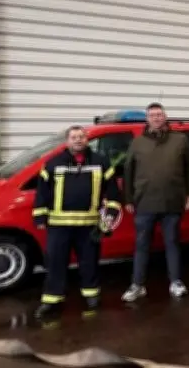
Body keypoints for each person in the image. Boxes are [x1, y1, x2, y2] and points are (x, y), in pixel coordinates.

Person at [33, 125, 121, 319]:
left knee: (89, 263)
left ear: (87, 140)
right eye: (74, 137)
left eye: (82, 137)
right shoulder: (53, 163)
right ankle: (51, 300)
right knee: (56, 263)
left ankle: (91, 296)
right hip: (59, 225)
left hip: (89, 224)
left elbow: (113, 191)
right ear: (67, 141)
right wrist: (40, 216)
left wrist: (111, 215)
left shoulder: (101, 162)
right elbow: (42, 193)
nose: (78, 140)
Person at [121, 103, 189, 302]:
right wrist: (128, 198)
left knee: (172, 243)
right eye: (152, 115)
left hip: (172, 202)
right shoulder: (137, 143)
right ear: (147, 119)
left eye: (159, 114)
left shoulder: (180, 140)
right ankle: (137, 285)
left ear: (165, 116)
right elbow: (127, 172)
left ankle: (176, 282)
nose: (156, 118)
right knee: (141, 246)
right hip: (144, 203)